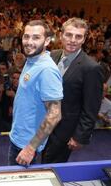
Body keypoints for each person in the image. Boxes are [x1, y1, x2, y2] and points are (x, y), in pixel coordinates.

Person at [41, 18, 104, 163]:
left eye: (78, 36)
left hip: (65, 130)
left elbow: (91, 107)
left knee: (51, 167)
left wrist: (80, 136)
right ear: (61, 35)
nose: (73, 40)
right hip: (42, 124)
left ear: (84, 39)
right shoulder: (51, 56)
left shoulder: (91, 68)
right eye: (69, 35)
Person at [9, 20, 63, 166]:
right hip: (19, 137)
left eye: (36, 37)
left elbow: (55, 114)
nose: (29, 42)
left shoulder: (47, 70)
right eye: (26, 37)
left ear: (46, 41)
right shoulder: (32, 59)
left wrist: (31, 148)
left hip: (27, 145)